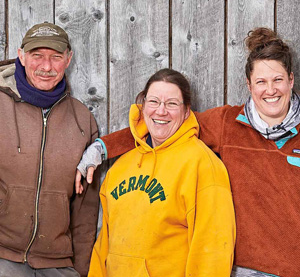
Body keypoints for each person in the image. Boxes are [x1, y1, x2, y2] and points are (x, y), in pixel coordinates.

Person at [77, 27, 300, 277]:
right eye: (261, 81)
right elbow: (160, 125)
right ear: (249, 85)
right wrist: (103, 148)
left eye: (278, 80)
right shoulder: (228, 123)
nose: (270, 90)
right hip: (242, 270)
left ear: (290, 80)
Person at [85, 69, 235, 276]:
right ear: (143, 106)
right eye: (154, 101)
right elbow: (104, 246)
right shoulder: (121, 167)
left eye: (172, 103)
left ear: (186, 111)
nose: (161, 111)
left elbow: (213, 250)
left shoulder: (202, 164)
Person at [0, 22, 100, 277]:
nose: (46, 67)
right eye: (38, 56)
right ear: (21, 56)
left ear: (68, 60)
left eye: (56, 57)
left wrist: (81, 269)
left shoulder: (82, 119)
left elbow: (85, 209)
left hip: (58, 263)